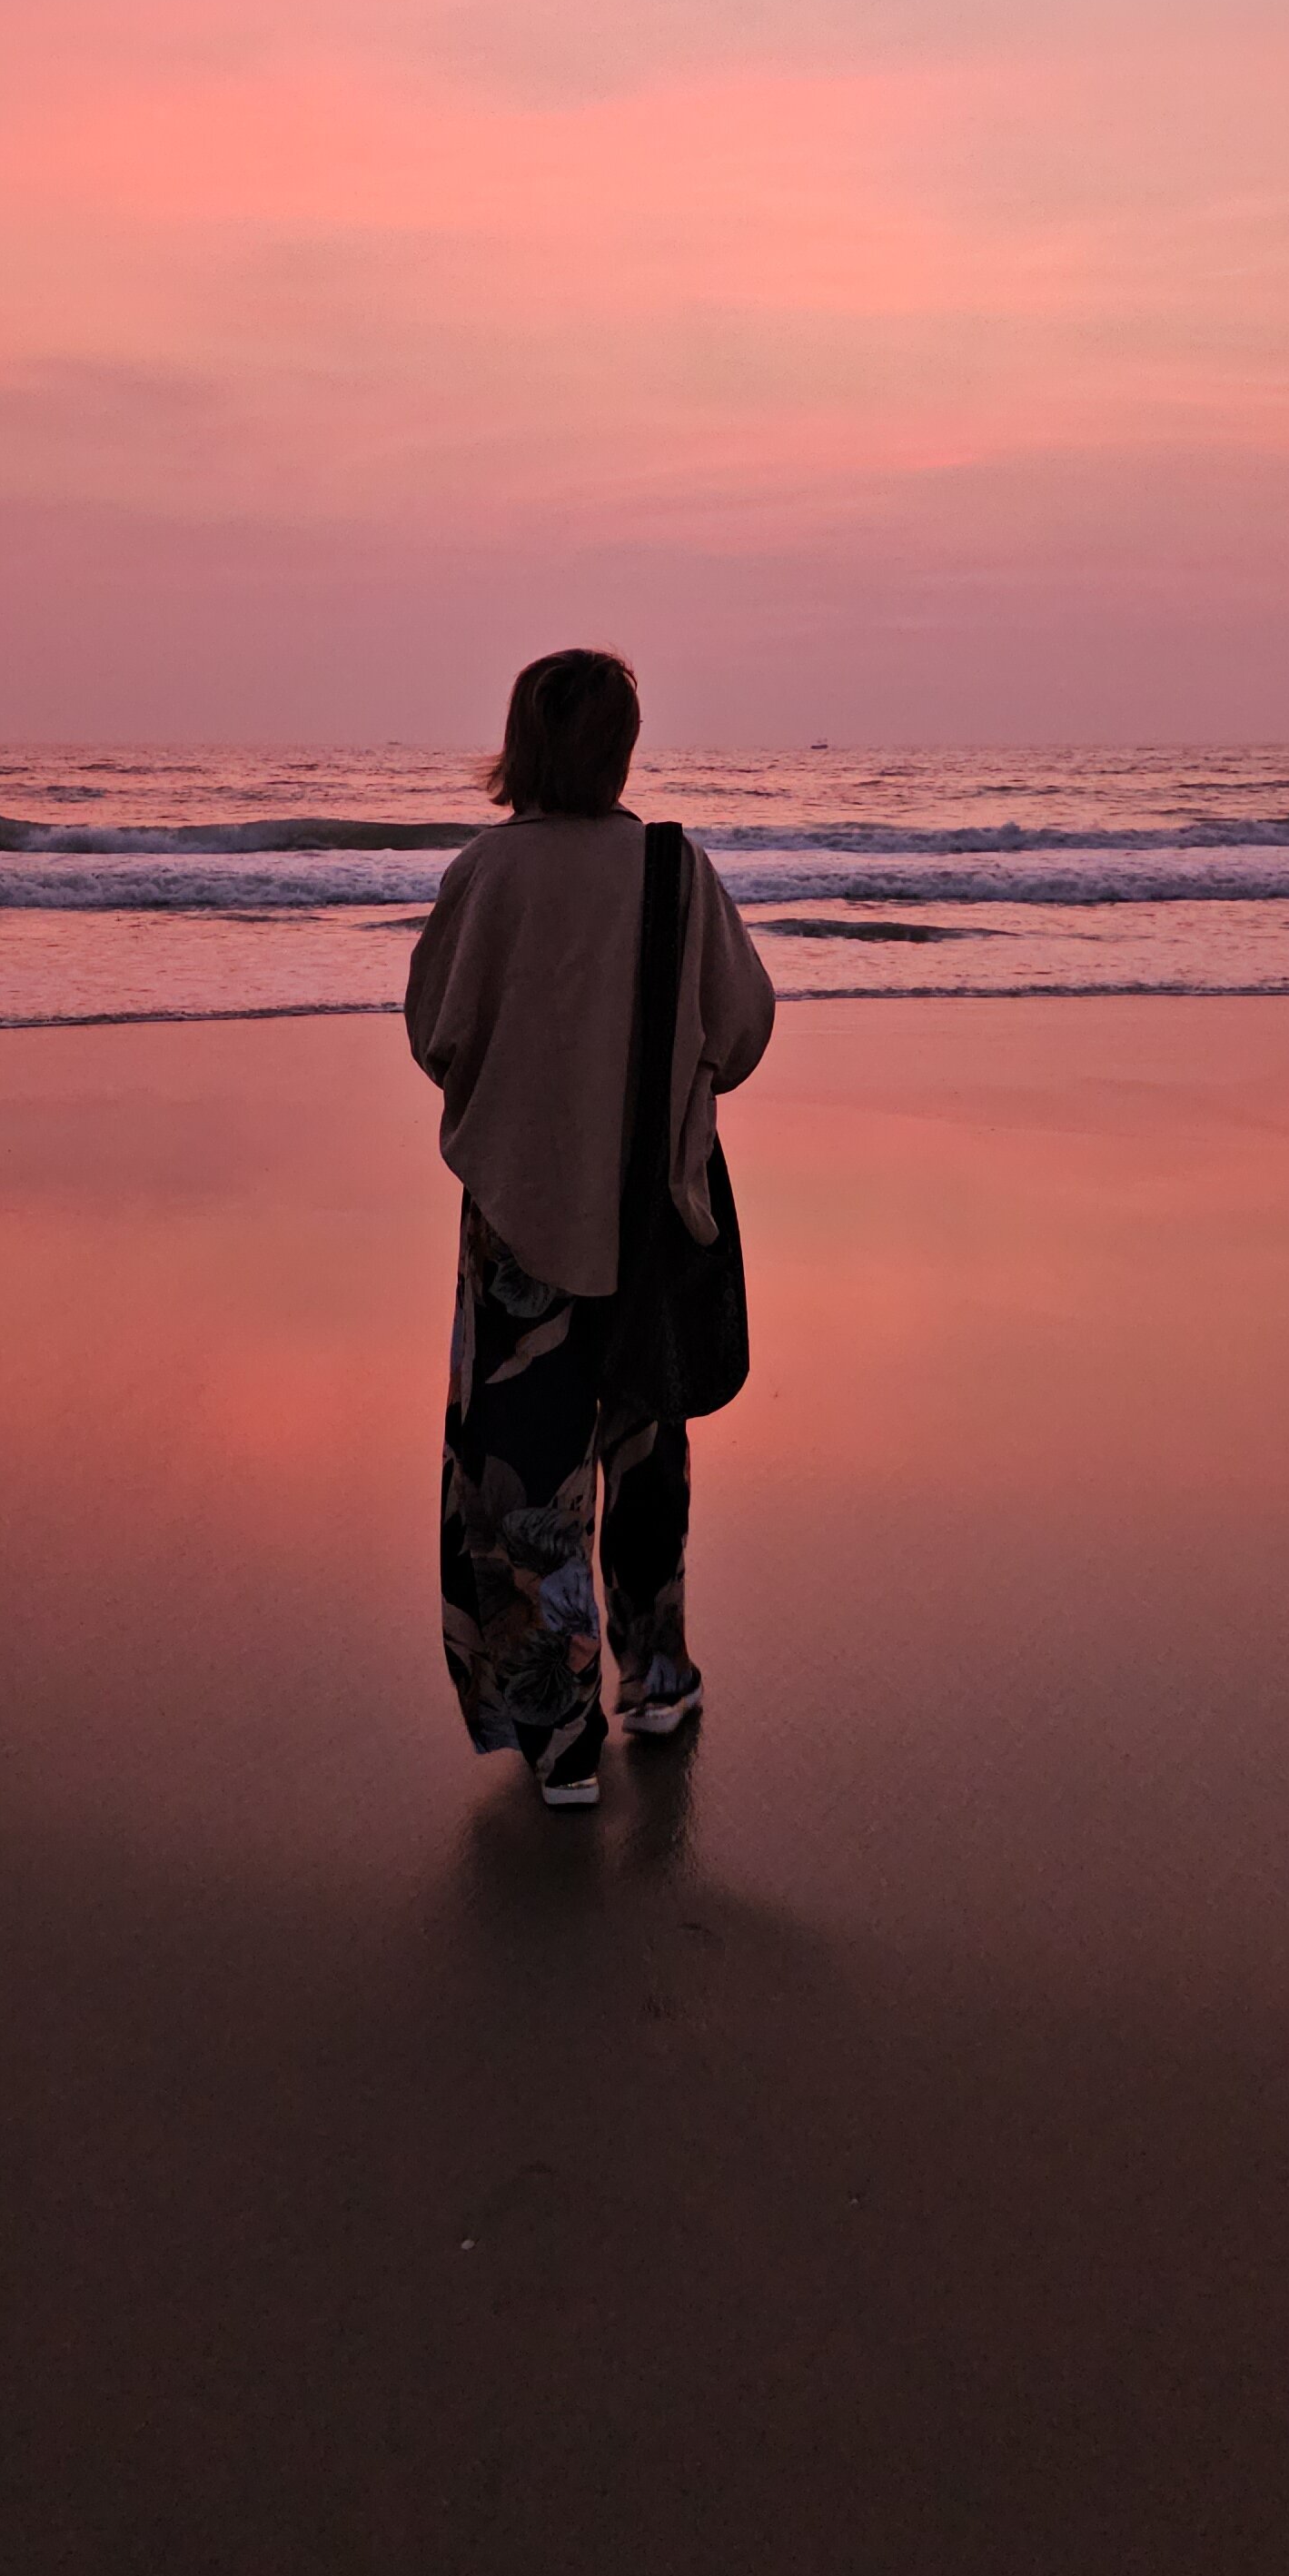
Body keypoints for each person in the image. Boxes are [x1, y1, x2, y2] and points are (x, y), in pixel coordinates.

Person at [405, 649, 774, 1810]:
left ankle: (558, 1737)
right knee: (645, 1451)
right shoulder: (673, 866)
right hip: (652, 1214)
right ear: (624, 745)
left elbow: (435, 1034)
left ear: (519, 741)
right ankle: (654, 1679)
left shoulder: (487, 871)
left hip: (522, 1216)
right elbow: (746, 1025)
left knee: (527, 1479)